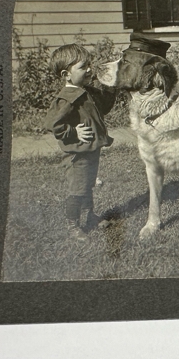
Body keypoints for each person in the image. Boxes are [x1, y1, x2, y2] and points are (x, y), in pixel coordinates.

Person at [43, 44, 117, 240]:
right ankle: (73, 224)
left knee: (88, 184)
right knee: (78, 189)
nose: (89, 70)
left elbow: (104, 108)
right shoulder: (66, 99)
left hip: (90, 149)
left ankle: (90, 216)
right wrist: (74, 131)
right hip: (77, 154)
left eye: (89, 65)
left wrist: (111, 87)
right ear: (66, 74)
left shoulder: (87, 91)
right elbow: (53, 124)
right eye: (83, 67)